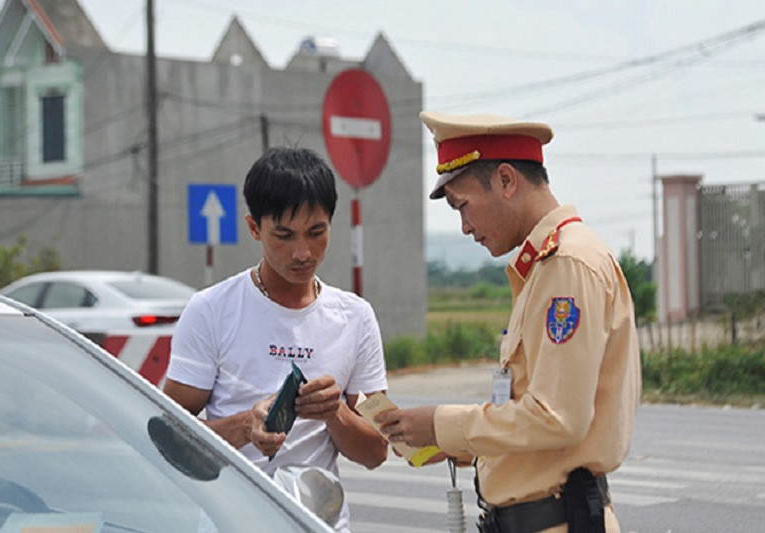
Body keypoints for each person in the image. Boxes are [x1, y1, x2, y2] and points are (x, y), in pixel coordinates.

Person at [376, 111, 641, 533]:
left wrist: (442, 423)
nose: (465, 228)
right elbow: (535, 420)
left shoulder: (567, 265)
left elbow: (557, 418)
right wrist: (455, 444)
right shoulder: (541, 268)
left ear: (505, 180)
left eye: (463, 206)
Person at [164, 147, 388, 532]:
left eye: (316, 233)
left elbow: (375, 451)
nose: (303, 252)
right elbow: (168, 438)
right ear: (254, 228)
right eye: (284, 236)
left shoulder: (355, 317)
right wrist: (243, 427)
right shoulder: (212, 309)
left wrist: (335, 413)